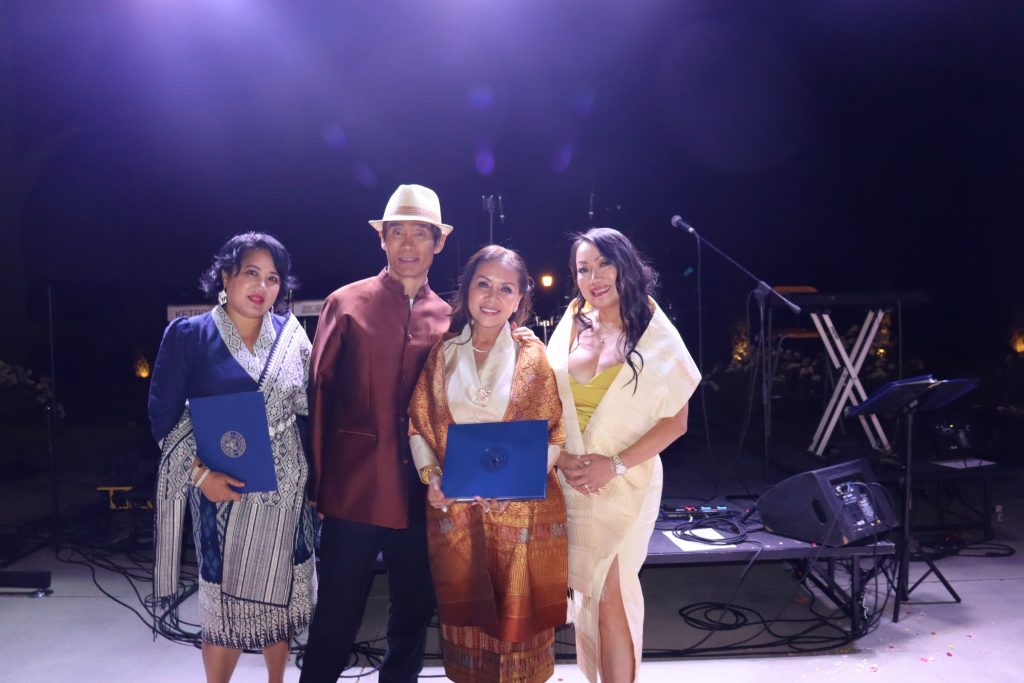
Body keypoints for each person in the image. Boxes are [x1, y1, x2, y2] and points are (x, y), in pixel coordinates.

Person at [299, 184, 452, 683]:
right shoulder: (345, 304)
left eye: (420, 233)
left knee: (412, 615)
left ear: (438, 243)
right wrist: (319, 487)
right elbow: (319, 396)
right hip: (353, 491)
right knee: (334, 617)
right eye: (397, 232)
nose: (408, 244)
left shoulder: (449, 320)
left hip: (421, 495)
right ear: (381, 239)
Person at [149, 232, 314, 683]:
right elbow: (164, 418)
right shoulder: (191, 335)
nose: (262, 286)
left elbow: (309, 411)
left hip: (287, 493)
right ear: (226, 277)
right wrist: (202, 478)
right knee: (223, 611)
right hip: (223, 493)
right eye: (251, 273)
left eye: (273, 278)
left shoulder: (291, 337)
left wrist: (316, 485)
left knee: (280, 598)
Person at [407, 245, 568, 683]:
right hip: (457, 512)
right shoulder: (444, 353)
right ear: (466, 291)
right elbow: (419, 423)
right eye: (483, 284)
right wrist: (431, 478)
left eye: (505, 289)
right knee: (468, 622)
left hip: (517, 513)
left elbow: (554, 434)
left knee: (516, 629)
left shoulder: (532, 357)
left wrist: (516, 482)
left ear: (519, 299)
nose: (493, 297)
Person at [547, 228, 701, 683]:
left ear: (625, 266)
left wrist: (612, 465)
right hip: (571, 480)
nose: (593, 278)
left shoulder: (654, 334)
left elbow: (676, 422)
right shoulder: (571, 323)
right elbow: (544, 403)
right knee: (589, 595)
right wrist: (561, 460)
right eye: (583, 269)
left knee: (611, 594)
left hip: (626, 481)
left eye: (603, 264)